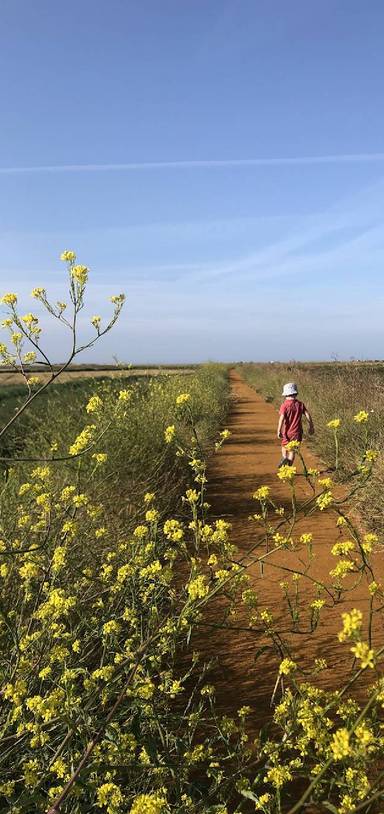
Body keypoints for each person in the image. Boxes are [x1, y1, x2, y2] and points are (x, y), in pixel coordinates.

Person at [277, 382, 314, 467]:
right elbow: (307, 414)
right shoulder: (300, 404)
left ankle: (284, 457)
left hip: (287, 432)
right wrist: (311, 426)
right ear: (295, 393)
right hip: (297, 432)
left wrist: (279, 430)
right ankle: (289, 466)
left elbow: (281, 419)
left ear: (285, 395)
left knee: (284, 446)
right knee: (293, 451)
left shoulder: (284, 405)